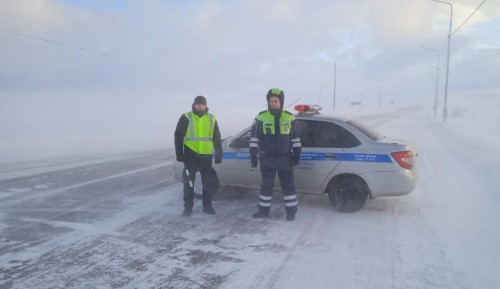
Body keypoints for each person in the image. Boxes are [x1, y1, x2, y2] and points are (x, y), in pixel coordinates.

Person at [250, 88, 301, 221]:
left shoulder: (290, 117)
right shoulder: (260, 117)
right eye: (271, 101)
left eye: (276, 101)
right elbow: (254, 138)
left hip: (285, 158)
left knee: (288, 186)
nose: (273, 103)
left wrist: (297, 154)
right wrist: (253, 155)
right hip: (267, 158)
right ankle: (263, 211)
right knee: (266, 186)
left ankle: (291, 212)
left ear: (281, 102)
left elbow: (295, 138)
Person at [174, 95, 223, 216]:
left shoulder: (211, 118)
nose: (200, 106)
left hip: (206, 156)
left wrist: (218, 153)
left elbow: (217, 137)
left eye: (203, 104)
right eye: (198, 104)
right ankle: (188, 208)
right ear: (194, 105)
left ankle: (207, 206)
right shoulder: (186, 117)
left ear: (206, 105)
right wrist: (179, 153)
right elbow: (178, 136)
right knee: (189, 183)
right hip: (190, 155)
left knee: (207, 182)